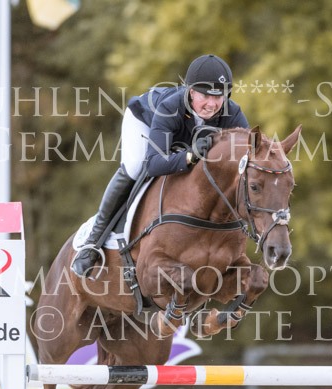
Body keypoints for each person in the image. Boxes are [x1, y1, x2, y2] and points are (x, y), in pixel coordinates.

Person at [71, 54, 250, 278]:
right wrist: (189, 156)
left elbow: (249, 157)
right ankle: (92, 242)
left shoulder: (232, 113)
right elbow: (154, 164)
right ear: (191, 91)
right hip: (145, 121)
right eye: (205, 95)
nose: (212, 104)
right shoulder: (170, 108)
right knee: (135, 167)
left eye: (219, 96)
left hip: (180, 140)